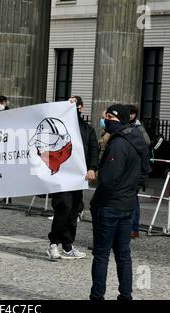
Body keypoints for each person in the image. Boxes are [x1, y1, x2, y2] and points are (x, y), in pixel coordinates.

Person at [89, 104, 149, 301]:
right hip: (127, 204)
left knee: (102, 254)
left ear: (118, 121)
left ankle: (97, 296)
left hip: (110, 205)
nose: (106, 122)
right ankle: (126, 295)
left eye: (109, 119)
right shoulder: (137, 141)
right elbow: (143, 174)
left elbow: (109, 178)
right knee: (123, 255)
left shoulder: (118, 144)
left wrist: (95, 176)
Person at [46, 96, 99, 260]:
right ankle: (53, 243)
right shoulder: (58, 126)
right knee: (63, 207)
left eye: (75, 104)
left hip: (78, 177)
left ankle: (68, 245)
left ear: (81, 108)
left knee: (75, 209)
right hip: (61, 175)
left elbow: (93, 150)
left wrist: (92, 168)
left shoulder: (87, 129)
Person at [127, 105, 151, 239]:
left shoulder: (138, 128)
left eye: (132, 113)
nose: (130, 115)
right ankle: (130, 227)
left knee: (133, 200)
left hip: (136, 170)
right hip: (132, 169)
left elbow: (146, 144)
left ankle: (133, 228)